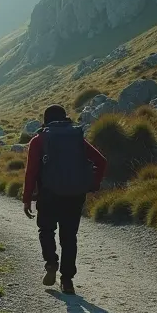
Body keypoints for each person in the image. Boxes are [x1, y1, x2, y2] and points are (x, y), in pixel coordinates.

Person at [22, 104, 109, 295]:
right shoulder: (76, 137)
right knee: (69, 238)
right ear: (65, 118)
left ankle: (51, 263)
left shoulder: (39, 140)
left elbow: (31, 172)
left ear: (45, 121)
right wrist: (93, 184)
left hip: (48, 194)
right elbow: (101, 161)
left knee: (46, 230)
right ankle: (67, 281)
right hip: (75, 195)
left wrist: (27, 198)